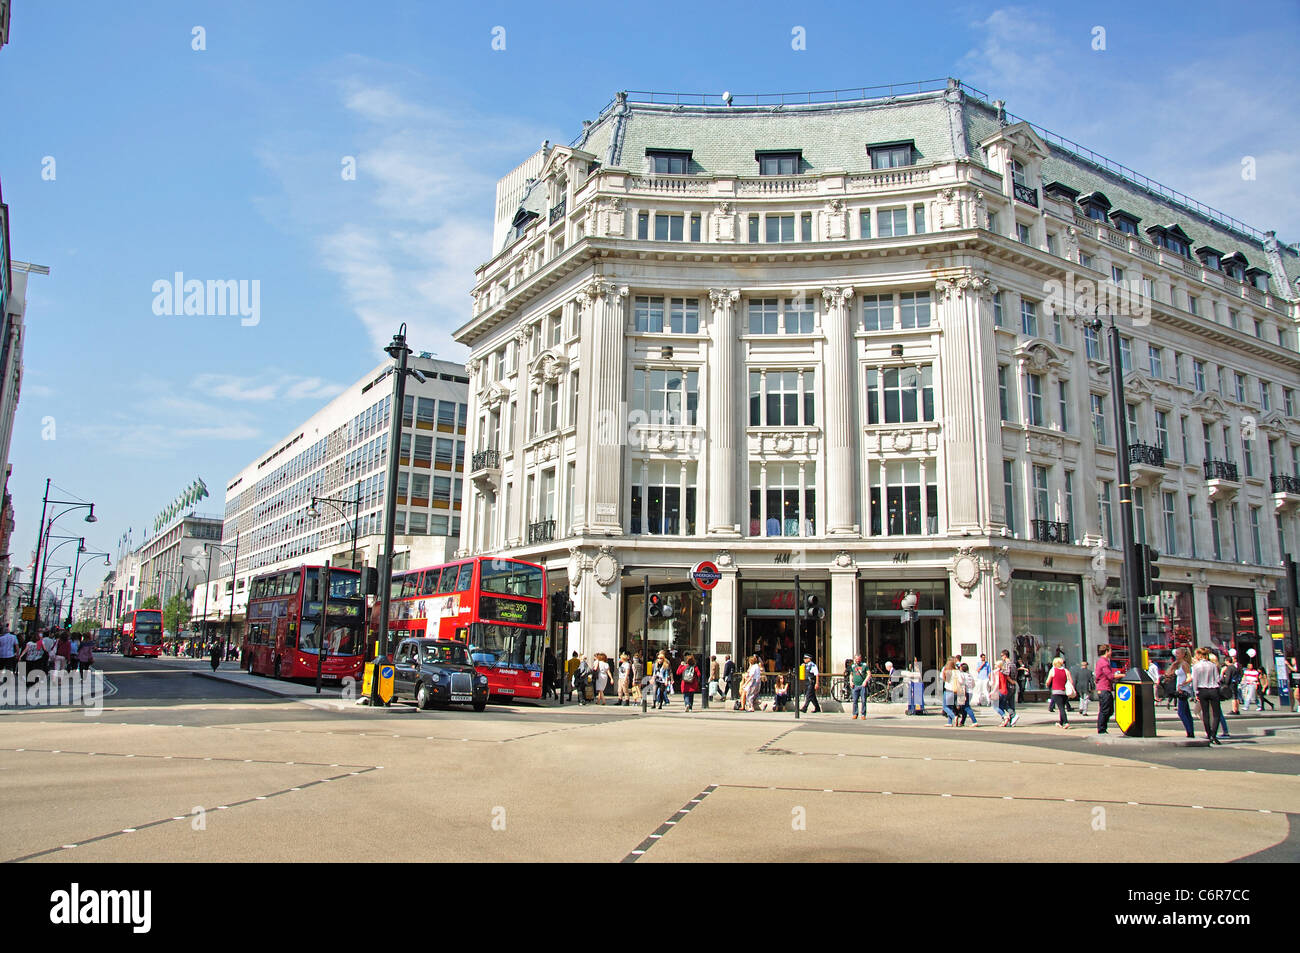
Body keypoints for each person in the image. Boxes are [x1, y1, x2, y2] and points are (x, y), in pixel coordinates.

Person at [1192, 647, 1224, 745]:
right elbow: (1218, 679)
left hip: (1202, 690)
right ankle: (1214, 734)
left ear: (1199, 655)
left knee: (1205, 713)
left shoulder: (1196, 666)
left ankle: (1208, 734)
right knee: (1216, 714)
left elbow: (1195, 681)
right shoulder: (1213, 665)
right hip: (1213, 689)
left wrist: (1195, 692)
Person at [1167, 648, 1195, 738]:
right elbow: (1168, 673)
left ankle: (1189, 731)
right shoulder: (1179, 664)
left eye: (1178, 653)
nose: (1176, 655)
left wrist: (1182, 684)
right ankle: (1190, 731)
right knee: (1186, 712)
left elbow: (1189, 677)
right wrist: (1173, 665)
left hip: (1183, 690)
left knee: (1181, 712)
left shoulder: (1185, 664)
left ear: (1183, 654)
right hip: (1180, 689)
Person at [1045, 657, 1073, 729]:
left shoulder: (1053, 670)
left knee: (1061, 708)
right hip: (1064, 691)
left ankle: (1066, 722)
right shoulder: (1066, 671)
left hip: (1056, 691)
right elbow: (1071, 681)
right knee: (1062, 707)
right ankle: (1061, 722)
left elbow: (1048, 681)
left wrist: (1047, 684)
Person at [1095, 643, 1116, 734]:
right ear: (1107, 651)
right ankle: (1101, 729)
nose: (1111, 652)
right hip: (1104, 688)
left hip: (1104, 688)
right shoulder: (1103, 662)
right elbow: (1110, 676)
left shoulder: (1103, 661)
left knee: (1109, 709)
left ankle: (1102, 728)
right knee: (1105, 709)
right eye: (1110, 650)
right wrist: (1121, 675)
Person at [999, 649, 1019, 726]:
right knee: (1011, 703)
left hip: (1008, 686)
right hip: (1013, 686)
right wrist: (1014, 681)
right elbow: (1016, 673)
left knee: (1003, 703)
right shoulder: (1013, 664)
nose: (1001, 658)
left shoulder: (1007, 664)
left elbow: (1006, 674)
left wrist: (1000, 670)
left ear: (1005, 655)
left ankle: (1012, 715)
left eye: (1002, 656)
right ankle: (1012, 721)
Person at [849, 654, 870, 719]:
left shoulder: (864, 665)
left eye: (858, 659)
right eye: (856, 659)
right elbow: (851, 674)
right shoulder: (853, 666)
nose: (857, 660)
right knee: (855, 700)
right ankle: (855, 713)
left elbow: (869, 674)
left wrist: (865, 681)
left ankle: (863, 714)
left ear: (860, 659)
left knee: (863, 700)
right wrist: (851, 681)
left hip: (862, 685)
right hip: (855, 685)